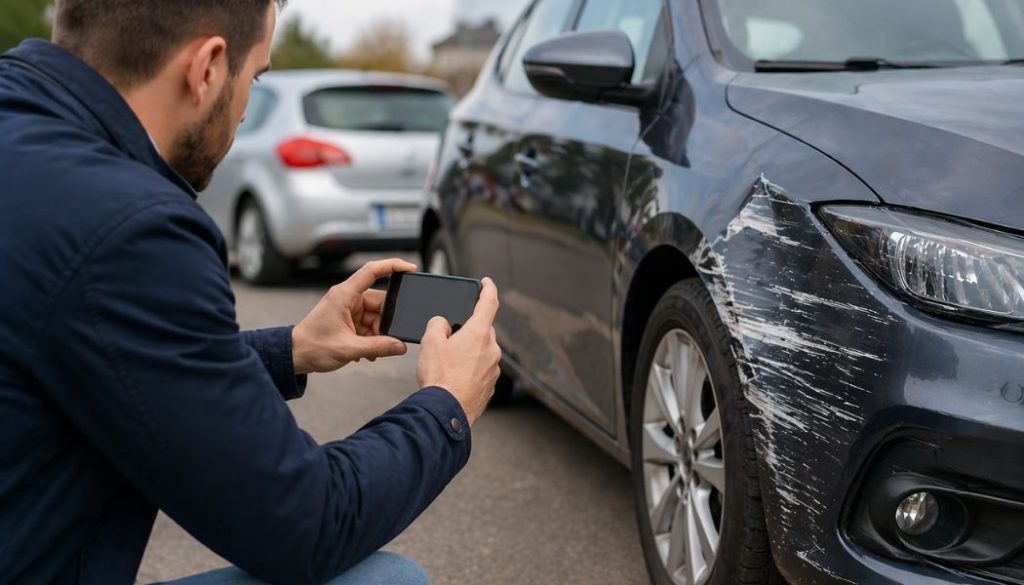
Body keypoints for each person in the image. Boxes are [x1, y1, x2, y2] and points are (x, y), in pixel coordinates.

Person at [0, 1, 503, 584]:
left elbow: (109, 354)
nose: (243, 111)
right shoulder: (128, 229)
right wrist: (447, 406)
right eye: (256, 77)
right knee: (386, 581)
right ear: (209, 66)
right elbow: (305, 525)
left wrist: (290, 349)